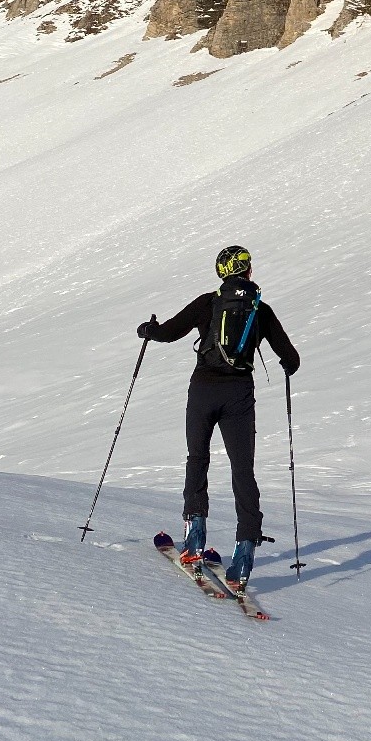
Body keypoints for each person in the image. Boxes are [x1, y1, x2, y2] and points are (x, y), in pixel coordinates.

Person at [137, 244, 300, 588]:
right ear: (249, 272)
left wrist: (148, 330)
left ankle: (194, 539)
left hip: (203, 390)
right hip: (239, 395)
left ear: (220, 273)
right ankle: (243, 557)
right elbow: (291, 358)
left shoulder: (207, 303)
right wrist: (286, 364)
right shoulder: (261, 310)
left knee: (198, 458)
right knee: (243, 470)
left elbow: (167, 333)